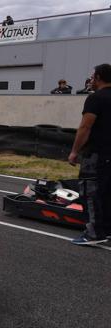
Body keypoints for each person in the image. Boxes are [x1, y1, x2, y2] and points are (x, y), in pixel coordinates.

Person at [68, 63, 111, 245]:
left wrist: (74, 151)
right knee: (108, 192)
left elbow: (85, 126)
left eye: (93, 77)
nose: (91, 80)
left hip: (96, 153)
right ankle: (107, 229)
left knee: (90, 191)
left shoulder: (95, 98)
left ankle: (94, 233)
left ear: (99, 78)